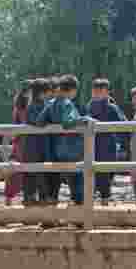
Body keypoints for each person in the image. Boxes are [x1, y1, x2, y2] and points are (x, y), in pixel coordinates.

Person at [34, 74, 91, 205]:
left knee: (55, 182)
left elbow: (39, 121)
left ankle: (52, 215)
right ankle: (80, 216)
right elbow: (67, 122)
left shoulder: (50, 103)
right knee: (77, 181)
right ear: (72, 90)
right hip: (72, 149)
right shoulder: (67, 103)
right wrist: (83, 119)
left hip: (57, 150)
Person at [85, 78, 127, 206]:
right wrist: (125, 145)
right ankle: (104, 207)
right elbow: (124, 125)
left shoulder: (88, 107)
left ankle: (89, 209)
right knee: (106, 182)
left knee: (90, 181)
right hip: (107, 149)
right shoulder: (111, 108)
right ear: (106, 91)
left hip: (90, 149)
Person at [23, 79, 50, 206]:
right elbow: (37, 122)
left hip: (37, 144)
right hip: (35, 145)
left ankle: (34, 201)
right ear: (42, 92)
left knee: (37, 174)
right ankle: (34, 202)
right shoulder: (35, 105)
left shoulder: (37, 104)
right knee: (36, 175)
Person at [4, 81, 31, 206]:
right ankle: (28, 197)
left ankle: (9, 198)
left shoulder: (18, 104)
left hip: (19, 141)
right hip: (27, 141)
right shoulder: (28, 105)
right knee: (26, 169)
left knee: (15, 170)